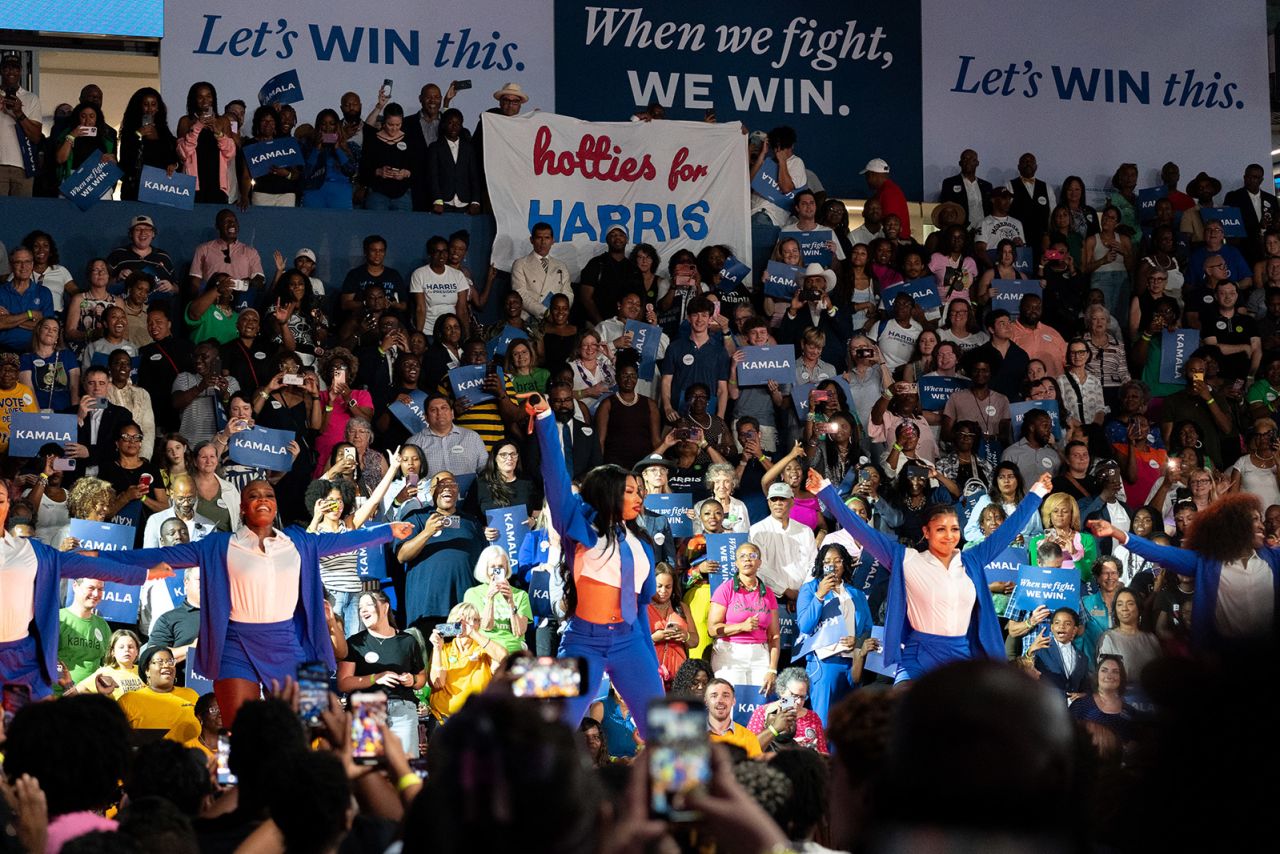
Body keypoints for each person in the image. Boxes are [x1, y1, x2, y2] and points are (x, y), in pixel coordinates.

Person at [118, 479, 412, 728]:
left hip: (286, 641)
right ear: (242, 507)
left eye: (269, 495)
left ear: (276, 505)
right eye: (253, 495)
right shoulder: (218, 545)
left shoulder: (298, 542)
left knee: (304, 724)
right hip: (234, 643)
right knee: (240, 731)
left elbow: (345, 541)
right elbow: (157, 557)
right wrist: (99, 558)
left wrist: (388, 531)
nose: (262, 499)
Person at [812, 467, 1052, 681]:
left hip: (962, 654)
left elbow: (1008, 530)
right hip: (919, 652)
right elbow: (861, 530)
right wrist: (825, 491)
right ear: (926, 532)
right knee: (904, 712)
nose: (949, 535)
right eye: (941, 529)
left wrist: (1036, 493)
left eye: (954, 529)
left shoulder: (972, 559)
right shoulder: (906, 558)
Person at [524, 391, 666, 735]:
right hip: (581, 641)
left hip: (631, 640)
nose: (639, 496)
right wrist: (544, 422)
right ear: (608, 493)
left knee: (668, 728)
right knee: (556, 729)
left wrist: (649, 661)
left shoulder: (643, 545)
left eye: (639, 490)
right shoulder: (579, 529)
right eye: (630, 490)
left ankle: (687, 788)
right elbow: (556, 479)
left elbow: (641, 609)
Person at [1089, 494, 1277, 652]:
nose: (1262, 525)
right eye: (1254, 520)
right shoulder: (1207, 563)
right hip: (1222, 659)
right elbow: (1160, 553)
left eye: (1260, 520)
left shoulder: (1274, 560)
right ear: (1234, 527)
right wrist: (1118, 533)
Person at [337, 590, 426, 757]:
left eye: (369, 605)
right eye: (360, 607)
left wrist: (412, 679)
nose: (363, 610)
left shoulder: (407, 641)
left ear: (385, 608)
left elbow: (421, 678)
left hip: (402, 709)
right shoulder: (355, 643)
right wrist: (376, 678)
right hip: (366, 707)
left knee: (406, 766)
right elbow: (344, 682)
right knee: (369, 770)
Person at [794, 543, 876, 723]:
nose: (833, 565)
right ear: (821, 565)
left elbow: (867, 627)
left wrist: (857, 642)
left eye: (838, 561)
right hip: (825, 663)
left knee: (849, 723)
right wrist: (820, 595)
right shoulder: (810, 588)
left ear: (845, 563)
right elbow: (805, 626)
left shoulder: (857, 594)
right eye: (827, 562)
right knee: (824, 722)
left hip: (853, 663)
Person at [395, 471, 486, 629]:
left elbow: (484, 564)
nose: (446, 488)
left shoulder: (471, 522)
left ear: (457, 491)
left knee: (458, 652)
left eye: (451, 484)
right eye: (440, 485)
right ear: (431, 491)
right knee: (432, 651)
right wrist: (427, 532)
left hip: (462, 612)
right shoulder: (417, 518)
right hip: (428, 611)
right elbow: (402, 555)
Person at [707, 541, 781, 694]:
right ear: (736, 563)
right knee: (732, 704)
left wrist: (772, 669)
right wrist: (741, 627)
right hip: (730, 654)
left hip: (760, 654)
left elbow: (774, 635)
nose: (747, 559)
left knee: (760, 704)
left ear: (759, 562)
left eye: (752, 556)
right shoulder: (725, 590)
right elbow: (712, 629)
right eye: (742, 556)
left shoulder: (768, 593)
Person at [428, 600, 506, 723]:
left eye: (472, 620)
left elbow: (504, 659)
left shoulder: (484, 649)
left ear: (478, 624)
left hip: (478, 719)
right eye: (459, 620)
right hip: (444, 719)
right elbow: (437, 683)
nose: (464, 624)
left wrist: (472, 633)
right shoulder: (443, 649)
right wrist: (437, 649)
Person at [117, 646, 200, 743]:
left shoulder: (192, 694)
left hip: (190, 756)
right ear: (147, 670)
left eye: (170, 661)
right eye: (160, 662)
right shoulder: (129, 700)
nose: (166, 665)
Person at [463, 544, 533, 654]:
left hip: (512, 648)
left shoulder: (520, 595)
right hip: (485, 648)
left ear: (507, 568)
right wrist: (490, 599)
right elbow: (486, 627)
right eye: (493, 567)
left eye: (500, 567)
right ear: (485, 568)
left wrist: (511, 602)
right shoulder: (473, 593)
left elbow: (519, 632)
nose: (497, 571)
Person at [745, 666, 829, 753]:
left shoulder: (812, 717)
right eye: (794, 695)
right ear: (781, 691)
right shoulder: (763, 712)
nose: (799, 701)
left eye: (802, 697)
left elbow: (822, 750)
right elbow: (749, 748)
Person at [1022, 607, 1090, 699]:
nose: (1061, 626)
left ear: (1074, 630)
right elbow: (1024, 672)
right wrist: (1030, 651)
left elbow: (1086, 688)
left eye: (1067, 624)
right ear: (1052, 627)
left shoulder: (1082, 658)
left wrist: (1082, 695)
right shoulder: (1041, 650)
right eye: (1057, 623)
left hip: (1073, 711)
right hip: (1046, 708)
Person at [648, 563, 697, 689]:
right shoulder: (642, 608)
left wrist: (684, 636)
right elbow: (632, 643)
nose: (663, 591)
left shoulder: (681, 607)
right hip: (651, 673)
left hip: (679, 676)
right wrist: (654, 638)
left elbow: (694, 641)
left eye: (668, 587)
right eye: (659, 586)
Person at [1068, 653, 1136, 743]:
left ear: (1121, 677)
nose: (1109, 676)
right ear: (1097, 675)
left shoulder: (1129, 711)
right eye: (1104, 670)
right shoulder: (1080, 705)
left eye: (1115, 672)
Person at [704, 678, 763, 758]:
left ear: (733, 701)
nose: (720, 700)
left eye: (725, 696)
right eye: (714, 696)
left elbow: (755, 769)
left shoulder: (749, 737)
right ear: (706, 702)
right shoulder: (695, 736)